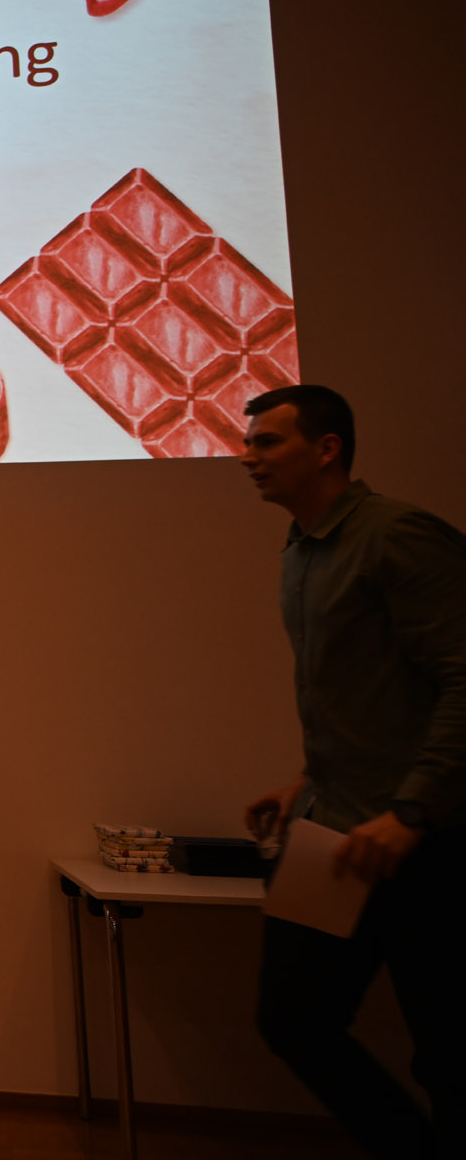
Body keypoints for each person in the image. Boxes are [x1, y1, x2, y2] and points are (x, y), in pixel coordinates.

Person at [239, 384, 464, 1157]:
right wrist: (308, 777)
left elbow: (463, 675)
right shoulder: (301, 549)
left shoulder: (398, 535)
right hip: (332, 824)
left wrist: (413, 811)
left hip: (424, 836)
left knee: (449, 1049)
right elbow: (366, 693)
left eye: (268, 441)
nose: (248, 457)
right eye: (249, 442)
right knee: (290, 1017)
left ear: (327, 448)